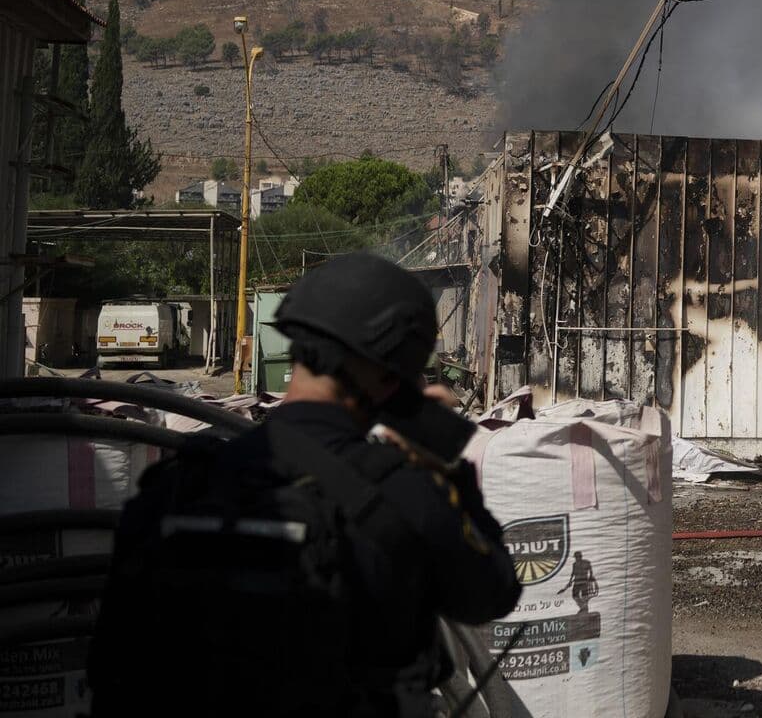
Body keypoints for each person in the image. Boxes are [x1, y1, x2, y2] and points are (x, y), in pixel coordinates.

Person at [89, 252, 522, 718]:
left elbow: (112, 667)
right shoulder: (404, 495)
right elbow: (491, 592)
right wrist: (448, 469)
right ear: (387, 372)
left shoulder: (176, 487)